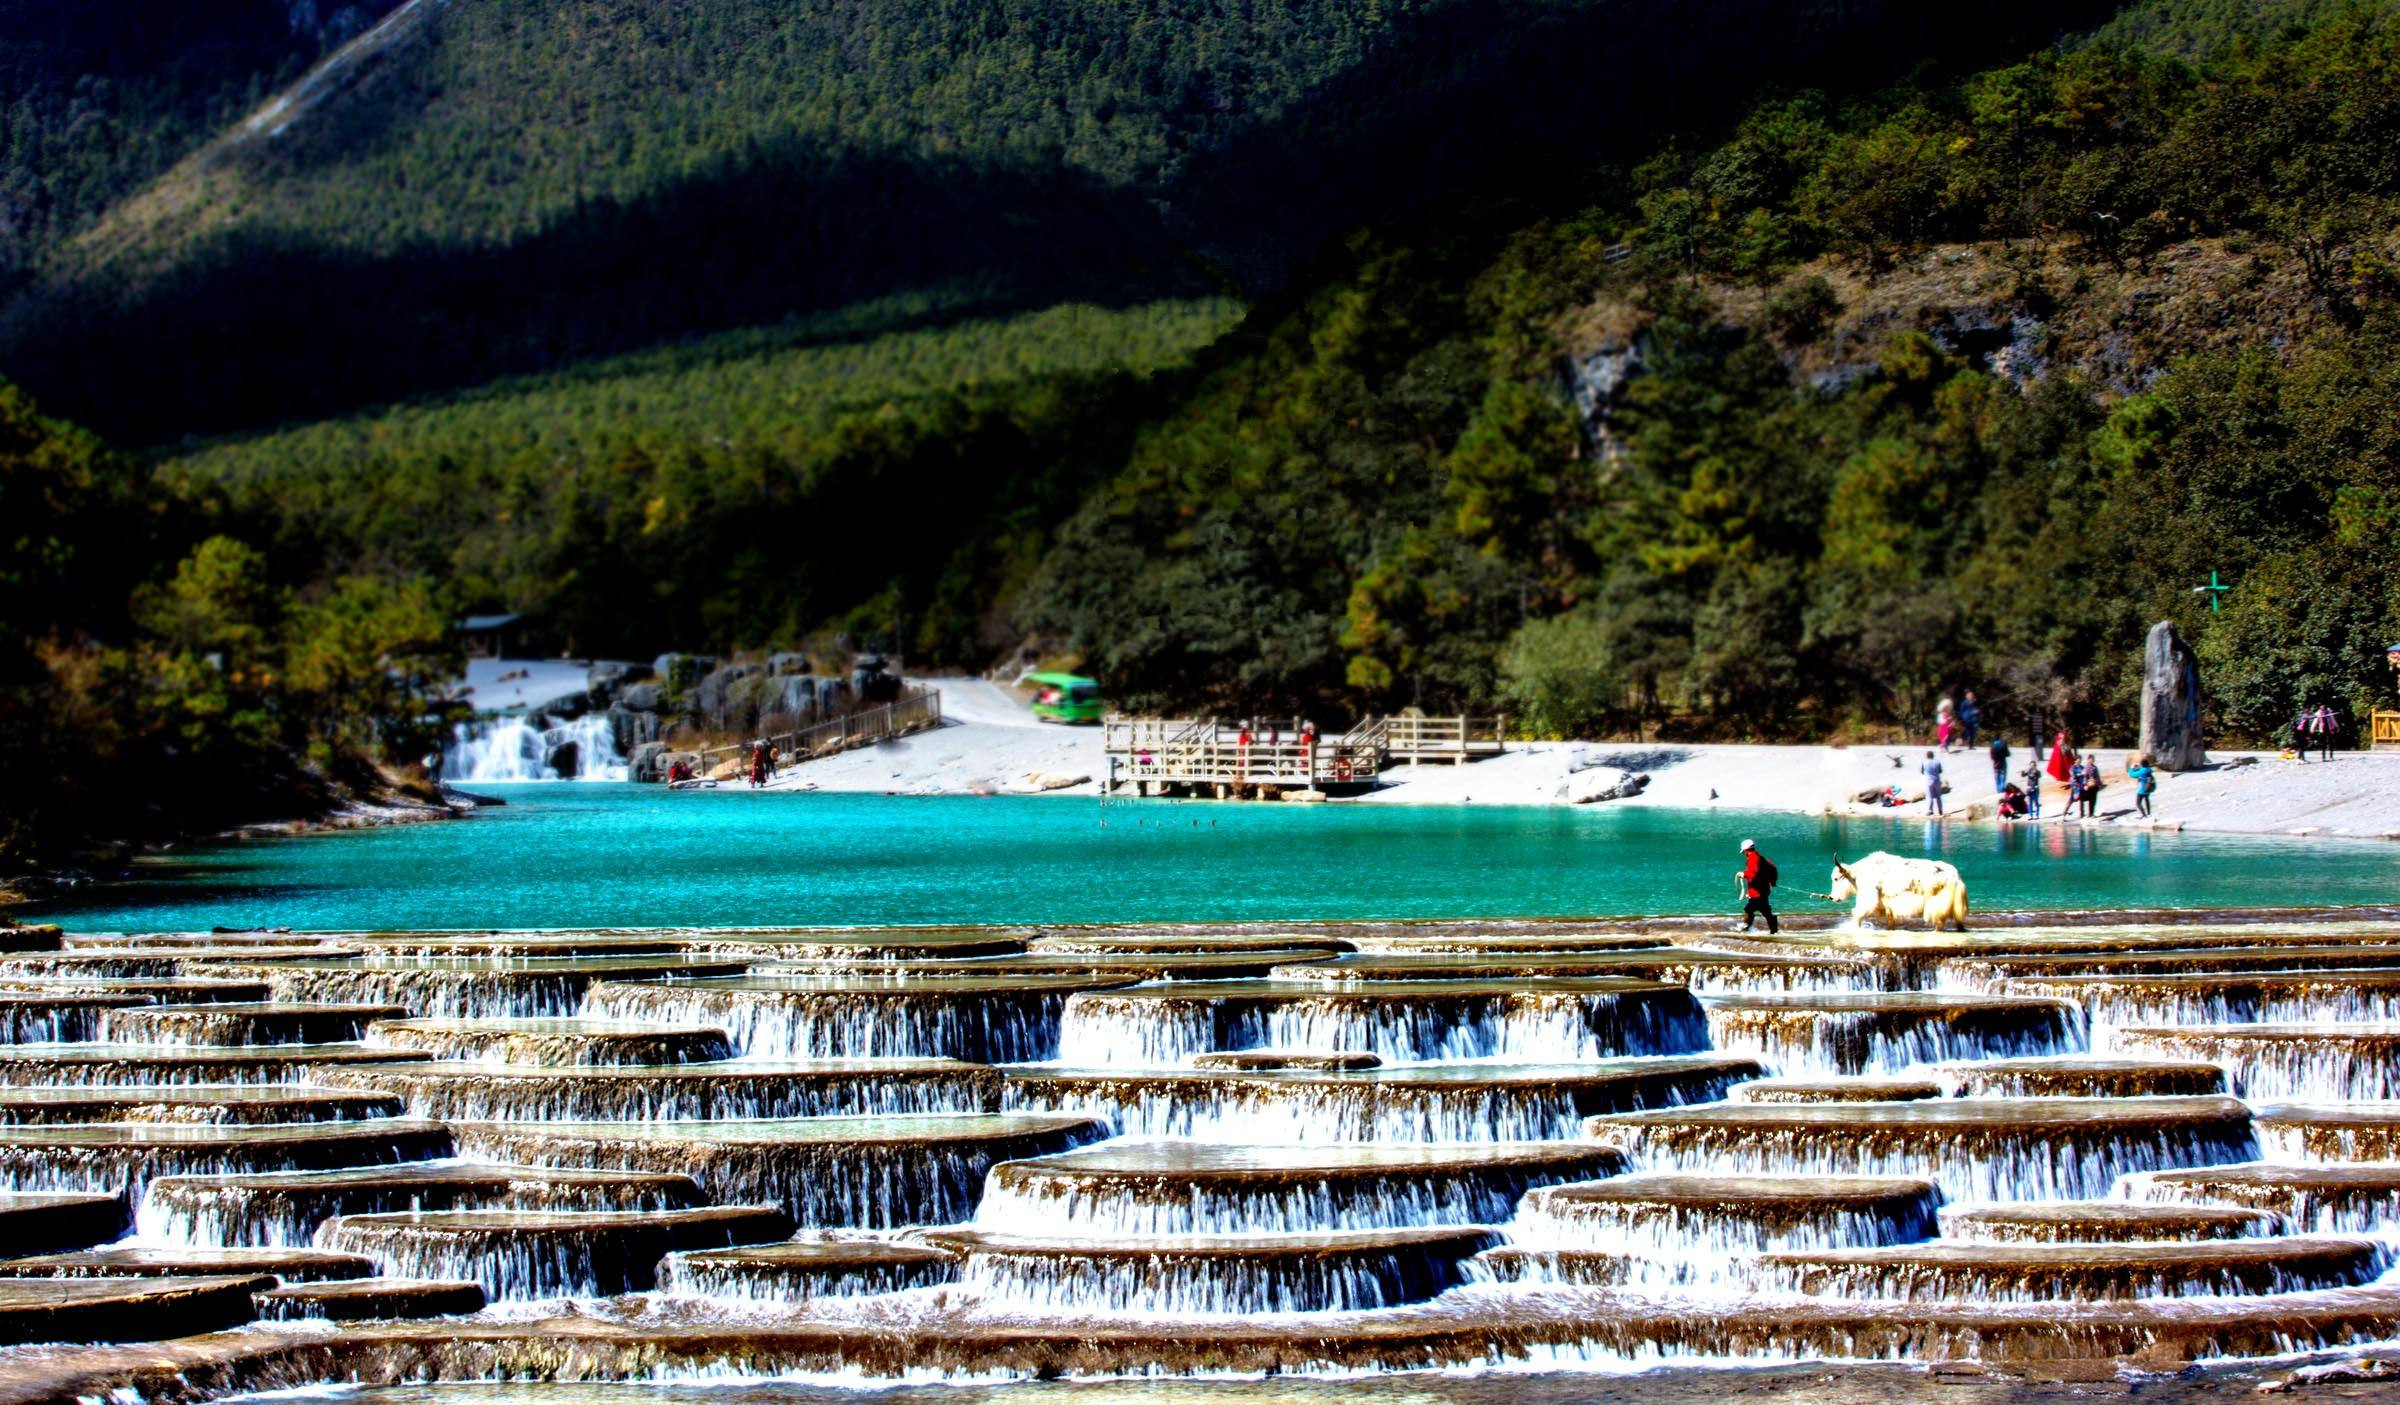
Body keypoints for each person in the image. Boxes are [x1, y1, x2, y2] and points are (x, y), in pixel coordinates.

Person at [1737, 839, 1780, 934]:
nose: (1744, 854)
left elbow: (1754, 872)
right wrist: (1773, 881)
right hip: (1764, 891)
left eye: (1743, 852)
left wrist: (1743, 874)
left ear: (1745, 850)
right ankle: (1774, 931)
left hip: (1757, 892)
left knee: (1748, 910)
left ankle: (1745, 929)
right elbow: (1773, 868)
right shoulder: (1761, 858)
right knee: (1765, 911)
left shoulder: (1752, 858)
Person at [2128, 753, 2157, 819]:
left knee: (2138, 803)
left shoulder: (2142, 771)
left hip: (2142, 789)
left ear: (2142, 764)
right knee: (2147, 800)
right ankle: (2149, 813)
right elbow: (2142, 769)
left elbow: (2132, 775)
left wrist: (2132, 768)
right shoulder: (2148, 769)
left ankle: (2144, 815)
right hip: (2148, 788)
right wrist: (2139, 767)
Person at [1921, 749, 1945, 816]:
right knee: (1938, 796)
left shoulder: (1924, 762)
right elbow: (1940, 771)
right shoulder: (1937, 762)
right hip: (1937, 780)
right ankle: (1940, 810)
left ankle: (1930, 810)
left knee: (1929, 796)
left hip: (1928, 781)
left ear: (1927, 756)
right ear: (1933, 756)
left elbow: (1922, 772)